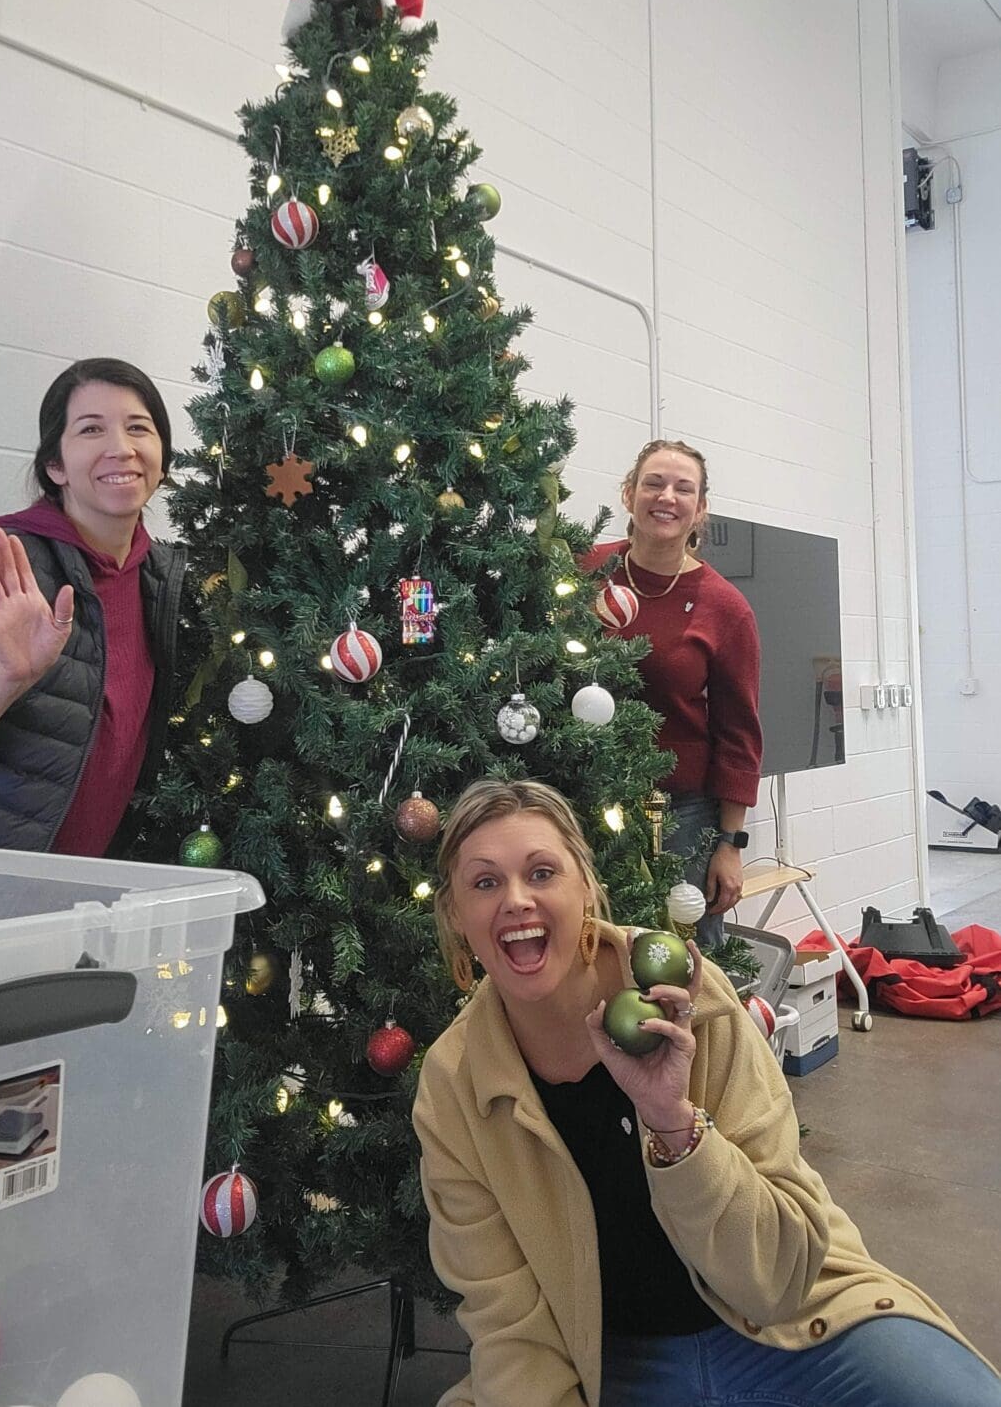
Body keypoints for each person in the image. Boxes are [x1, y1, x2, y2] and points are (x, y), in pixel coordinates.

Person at [413, 778, 1001, 1407]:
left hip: (793, 1326)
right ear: (455, 914)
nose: (517, 901)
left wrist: (672, 1122)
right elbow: (510, 1325)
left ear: (585, 886)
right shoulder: (455, 1088)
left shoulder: (694, 1003)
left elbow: (778, 1276)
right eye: (484, 883)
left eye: (542, 872)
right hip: (614, 1360)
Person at [0, 358, 185, 856]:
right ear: (55, 465)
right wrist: (5, 682)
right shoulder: (3, 567)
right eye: (91, 429)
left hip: (75, 902)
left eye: (138, 428)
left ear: (162, 456)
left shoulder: (159, 581)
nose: (121, 448)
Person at [580, 438, 761, 948]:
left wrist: (729, 844)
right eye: (654, 482)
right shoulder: (581, 572)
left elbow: (739, 736)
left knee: (680, 959)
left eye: (685, 489)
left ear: (700, 509)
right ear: (628, 493)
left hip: (677, 814)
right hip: (579, 795)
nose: (667, 496)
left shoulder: (726, 609)